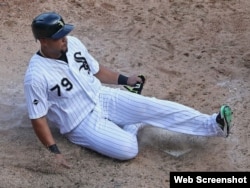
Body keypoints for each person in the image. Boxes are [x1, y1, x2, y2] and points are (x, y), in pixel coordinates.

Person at [24, 12, 233, 168]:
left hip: (102, 96)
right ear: (43, 41)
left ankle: (213, 124)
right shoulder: (37, 75)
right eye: (59, 36)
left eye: (65, 34)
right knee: (127, 150)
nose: (65, 38)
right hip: (80, 123)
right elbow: (38, 118)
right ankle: (133, 123)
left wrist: (126, 80)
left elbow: (96, 71)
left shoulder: (74, 44)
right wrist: (54, 151)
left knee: (153, 106)